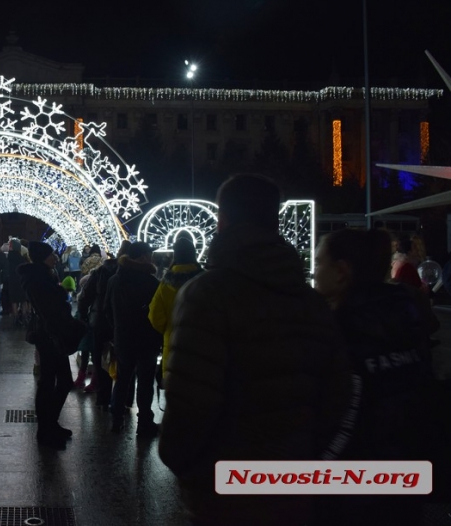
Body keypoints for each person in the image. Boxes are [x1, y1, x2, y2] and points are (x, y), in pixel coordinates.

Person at [158, 174, 350, 526]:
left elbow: (190, 401)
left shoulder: (207, 295)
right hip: (292, 484)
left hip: (223, 488)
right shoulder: (312, 303)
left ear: (222, 220)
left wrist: (184, 463)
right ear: (274, 220)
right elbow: (337, 395)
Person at [313, 228, 434, 525]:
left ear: (341, 271)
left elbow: (346, 422)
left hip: (353, 490)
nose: (314, 273)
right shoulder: (407, 315)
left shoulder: (341, 330)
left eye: (318, 263)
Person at [18, 241, 83, 449]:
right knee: (56, 381)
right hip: (50, 336)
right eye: (51, 255)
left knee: (54, 381)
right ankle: (46, 428)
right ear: (42, 257)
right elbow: (51, 311)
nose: (55, 257)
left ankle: (49, 425)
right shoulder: (39, 279)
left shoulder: (42, 275)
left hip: (50, 335)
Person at [103, 241, 160, 437]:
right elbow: (157, 314)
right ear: (143, 257)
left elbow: (106, 310)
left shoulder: (115, 280)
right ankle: (144, 423)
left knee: (122, 379)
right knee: (145, 383)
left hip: (123, 338)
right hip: (146, 339)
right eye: (149, 254)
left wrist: (118, 328)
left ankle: (116, 420)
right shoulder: (152, 282)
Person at [78, 240, 131, 400]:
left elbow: (85, 296)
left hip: (99, 319)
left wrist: (84, 316)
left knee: (100, 357)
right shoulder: (131, 274)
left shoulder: (101, 271)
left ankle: (103, 397)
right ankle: (124, 400)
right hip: (124, 322)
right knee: (125, 361)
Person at [148, 235, 203, 378]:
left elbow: (154, 316)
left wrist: (168, 329)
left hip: (173, 345)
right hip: (201, 347)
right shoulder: (204, 281)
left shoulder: (165, 284)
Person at [5, 239, 29, 325]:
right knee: (23, 300)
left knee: (14, 300)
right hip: (22, 281)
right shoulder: (22, 258)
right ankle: (25, 317)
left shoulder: (8, 258)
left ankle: (15, 318)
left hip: (12, 280)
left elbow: (6, 269)